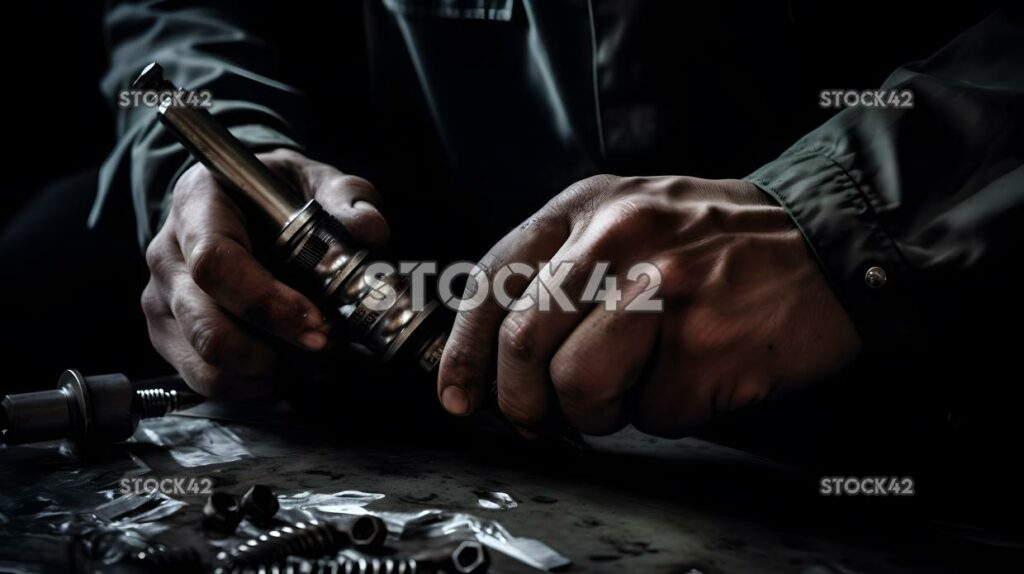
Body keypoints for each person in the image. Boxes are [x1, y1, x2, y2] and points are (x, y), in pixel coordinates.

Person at [98, 1, 1024, 447]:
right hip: (408, 376)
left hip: (901, 372)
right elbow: (180, 25)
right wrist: (225, 155)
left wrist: (839, 215)